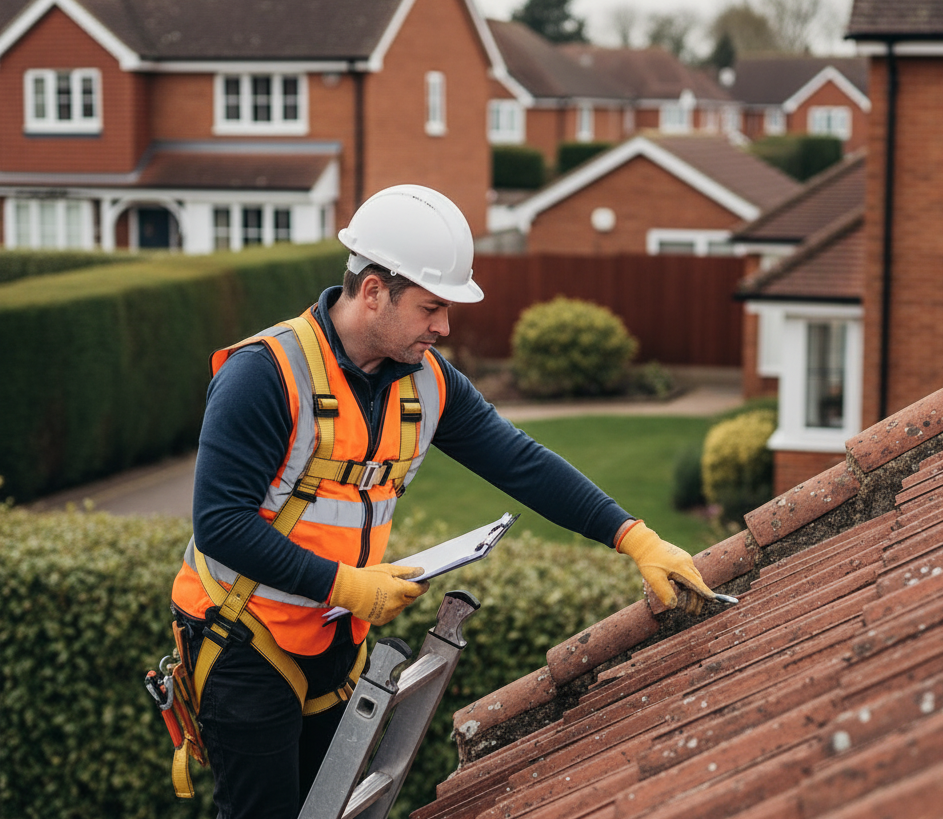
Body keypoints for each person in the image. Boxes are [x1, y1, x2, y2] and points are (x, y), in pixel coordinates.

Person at [169, 184, 715, 819]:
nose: (444, 327)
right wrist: (343, 584)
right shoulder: (263, 375)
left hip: (333, 643)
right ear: (373, 291)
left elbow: (520, 462)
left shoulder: (426, 381)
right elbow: (219, 525)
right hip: (243, 642)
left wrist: (634, 537)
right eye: (431, 307)